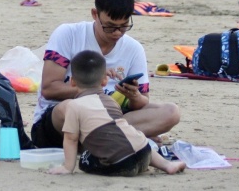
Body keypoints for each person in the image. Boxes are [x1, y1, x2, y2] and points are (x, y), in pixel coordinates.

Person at [31, 0, 180, 149]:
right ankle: (125, 137)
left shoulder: (134, 49)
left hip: (110, 119)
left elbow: (142, 103)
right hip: (60, 124)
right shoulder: (68, 34)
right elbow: (49, 89)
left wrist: (134, 96)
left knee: (170, 112)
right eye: (109, 26)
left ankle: (111, 139)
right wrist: (95, 91)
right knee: (69, 108)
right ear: (95, 14)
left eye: (124, 26)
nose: (117, 33)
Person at [47, 50, 186, 176]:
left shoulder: (73, 105)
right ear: (104, 81)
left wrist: (67, 167)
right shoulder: (111, 101)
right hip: (144, 153)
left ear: (72, 82)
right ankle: (167, 165)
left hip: (121, 163)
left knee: (85, 161)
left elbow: (71, 139)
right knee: (133, 136)